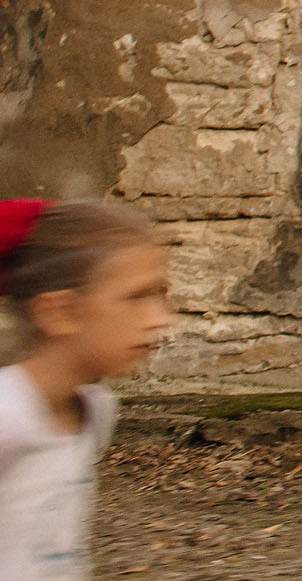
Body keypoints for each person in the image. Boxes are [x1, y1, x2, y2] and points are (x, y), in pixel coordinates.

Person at [0, 198, 171, 580]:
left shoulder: (95, 413)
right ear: (59, 313)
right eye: (136, 297)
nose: (160, 318)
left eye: (160, 295)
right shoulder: (8, 413)